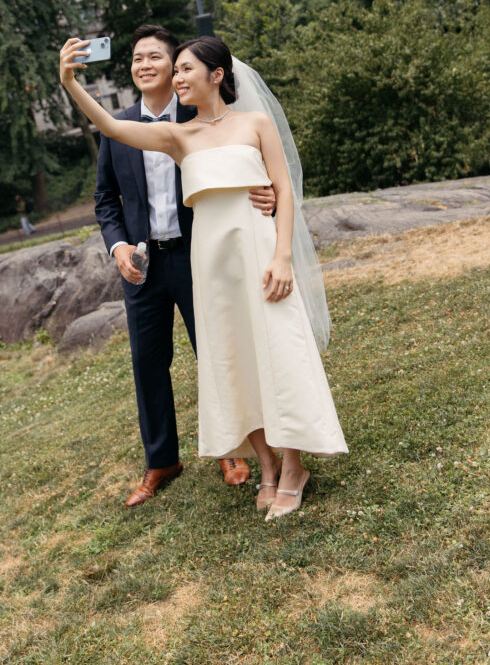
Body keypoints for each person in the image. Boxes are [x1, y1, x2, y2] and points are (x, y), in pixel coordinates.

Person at [62, 33, 347, 520]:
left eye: (184, 69)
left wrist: (282, 258)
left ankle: (295, 466)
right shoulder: (179, 138)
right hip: (210, 266)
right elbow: (108, 124)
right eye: (177, 72)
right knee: (232, 359)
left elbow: (283, 189)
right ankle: (267, 466)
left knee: (277, 351)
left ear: (217, 75)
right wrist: (69, 81)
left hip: (258, 255)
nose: (176, 78)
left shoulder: (256, 124)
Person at [94, 25, 276, 507]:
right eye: (136, 59)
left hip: (201, 258)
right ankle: (160, 461)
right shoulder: (119, 127)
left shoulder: (199, 119)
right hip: (143, 265)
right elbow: (105, 201)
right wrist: (117, 249)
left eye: (156, 57)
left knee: (217, 353)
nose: (144, 65)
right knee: (147, 364)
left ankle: (231, 452)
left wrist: (267, 190)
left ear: (177, 67)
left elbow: (241, 169)